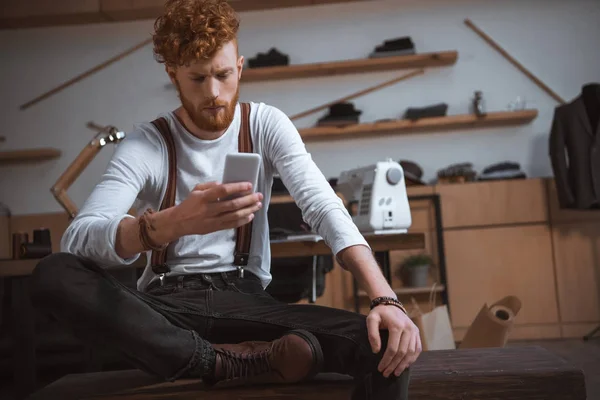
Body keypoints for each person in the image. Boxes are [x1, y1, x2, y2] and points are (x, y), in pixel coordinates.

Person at [30, 0, 422, 398]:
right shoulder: (148, 142)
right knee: (54, 274)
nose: (214, 93)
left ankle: (218, 358)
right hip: (165, 308)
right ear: (174, 76)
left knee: (386, 343)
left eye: (222, 74)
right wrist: (171, 224)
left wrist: (385, 297)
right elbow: (78, 239)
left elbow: (323, 206)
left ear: (240, 67)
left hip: (247, 303)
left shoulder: (266, 124)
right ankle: (221, 362)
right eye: (197, 79)